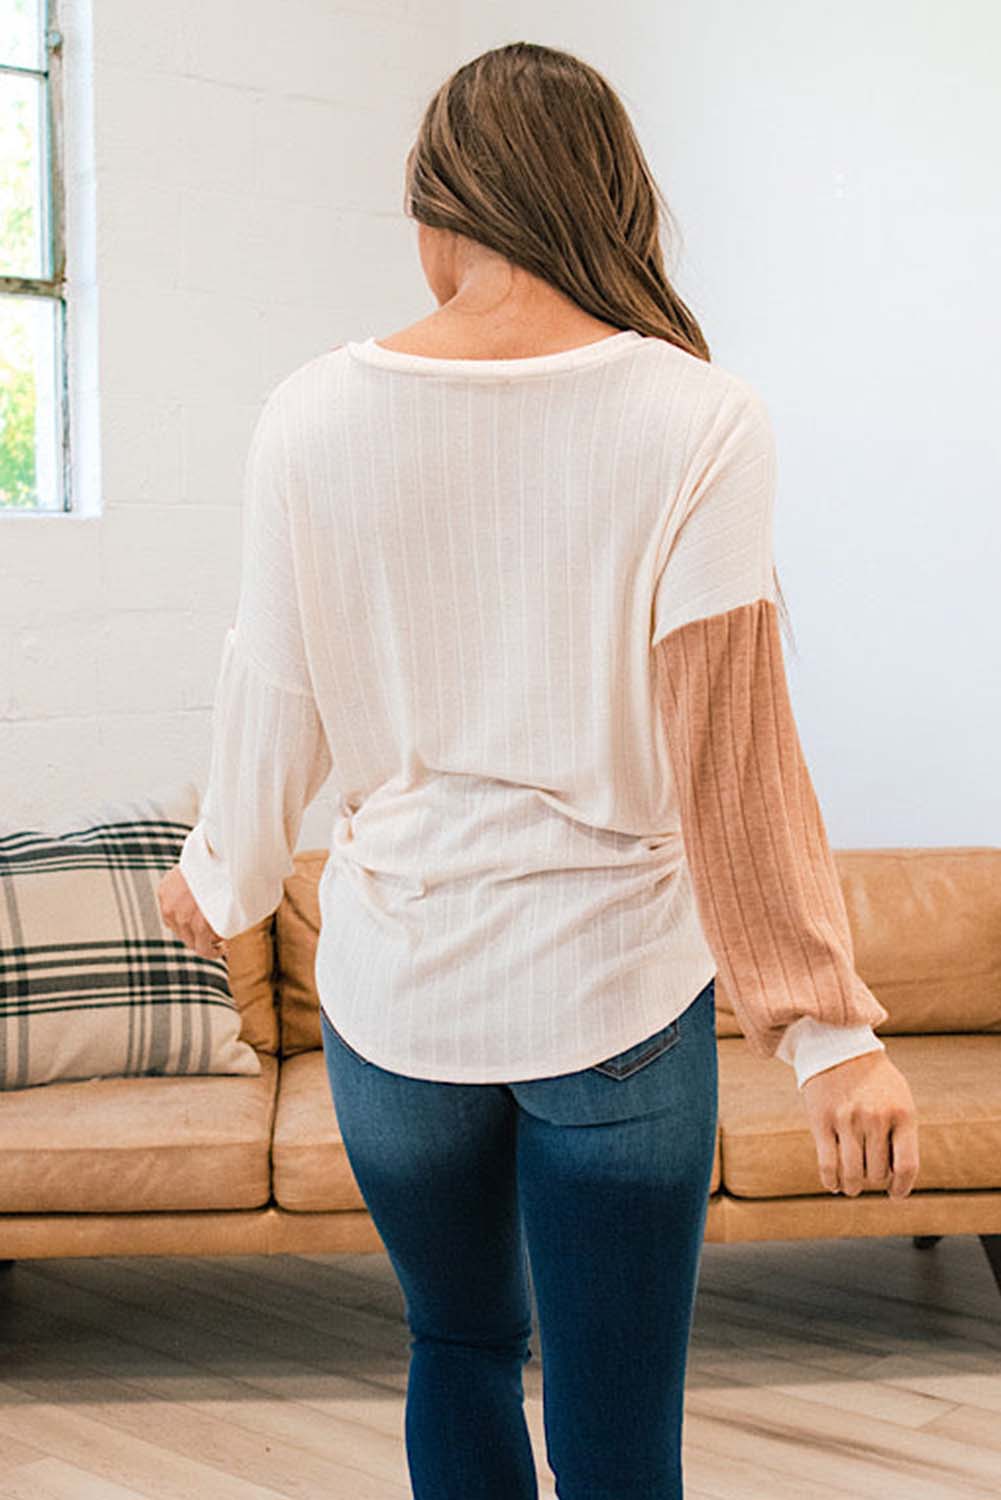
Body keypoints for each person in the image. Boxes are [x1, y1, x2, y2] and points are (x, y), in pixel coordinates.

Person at [160, 40, 920, 1500]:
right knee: (618, 1427)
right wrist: (826, 1032)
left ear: (439, 208)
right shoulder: (698, 417)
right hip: (615, 991)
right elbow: (729, 743)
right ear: (608, 200)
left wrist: (226, 878)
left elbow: (274, 690)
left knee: (455, 1346)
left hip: (397, 994)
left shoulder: (310, 412)